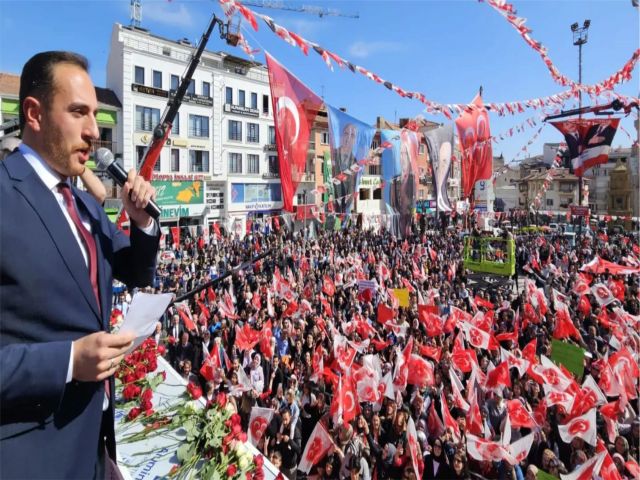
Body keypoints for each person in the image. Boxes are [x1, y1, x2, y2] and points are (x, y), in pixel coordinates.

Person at [0, 51, 160, 479]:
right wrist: (68, 361)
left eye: (95, 114)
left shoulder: (84, 204)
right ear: (34, 113)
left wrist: (142, 220)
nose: (93, 132)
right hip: (35, 457)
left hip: (94, 445)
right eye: (78, 113)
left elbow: (134, 270)